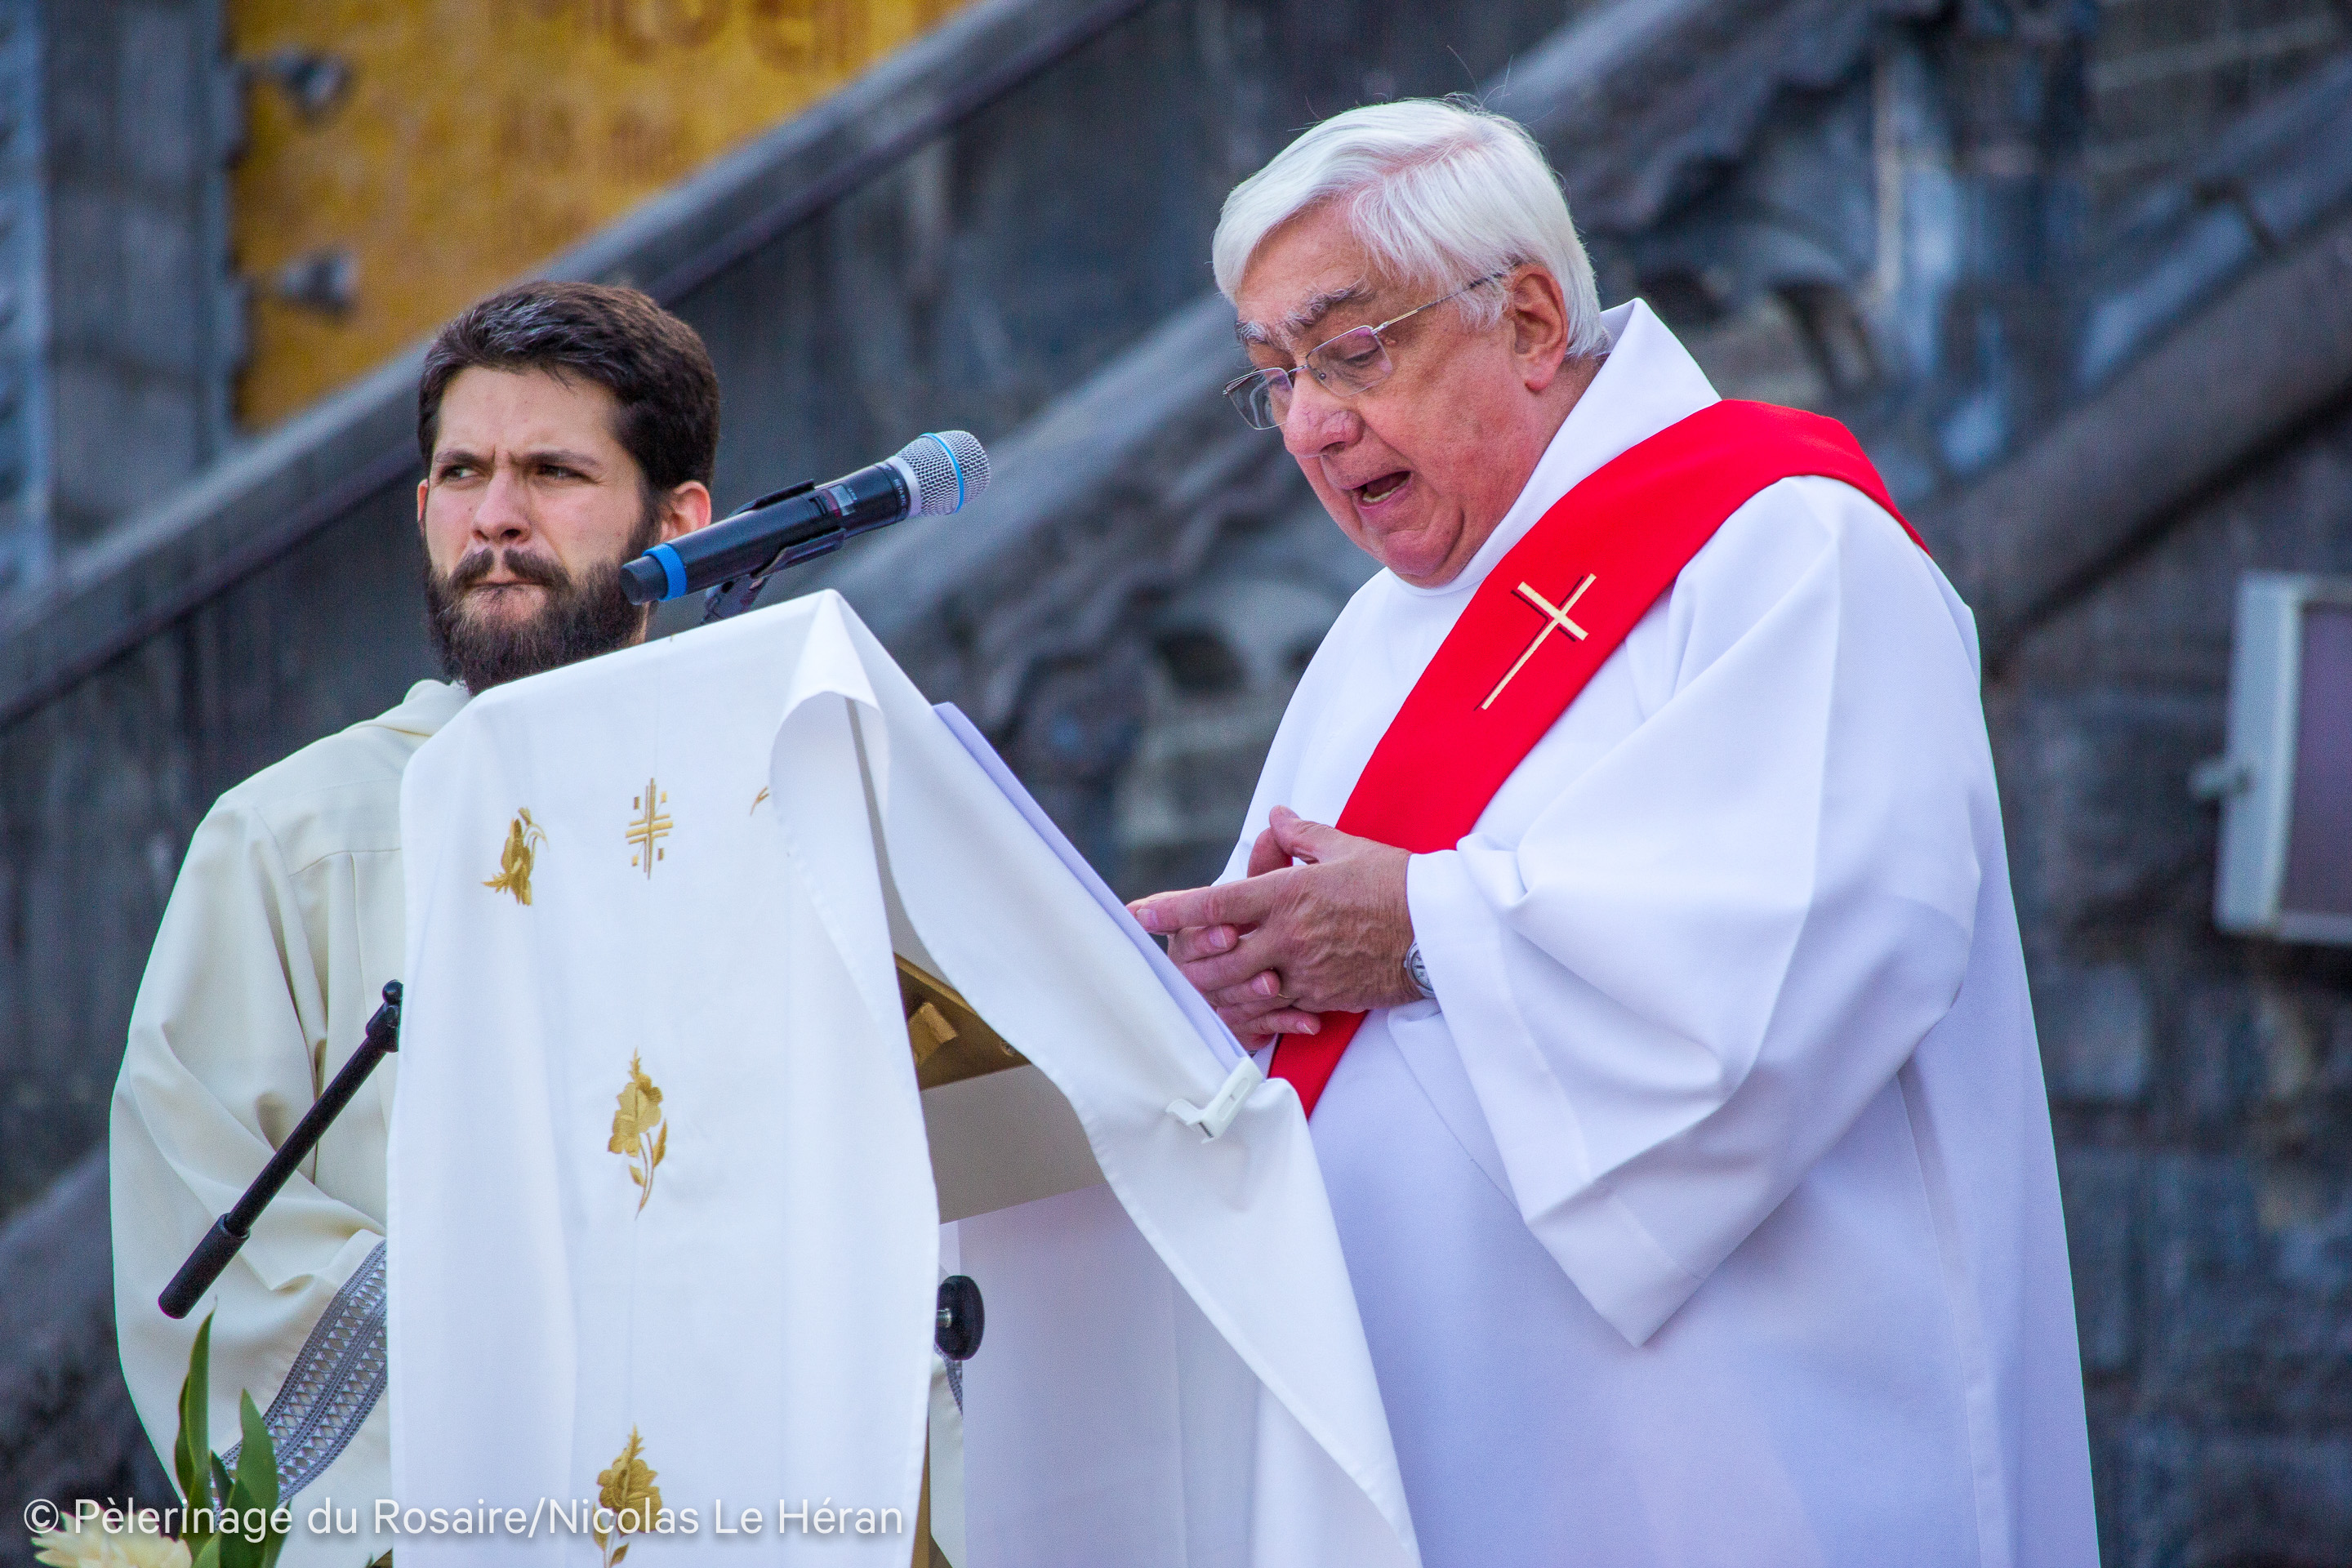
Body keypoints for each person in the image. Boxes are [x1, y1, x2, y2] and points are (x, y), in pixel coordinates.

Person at [1129, 99, 2100, 1566]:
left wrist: (1423, 934)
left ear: (1527, 319)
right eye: (1275, 378)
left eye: (1352, 350)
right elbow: (1315, 993)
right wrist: (1211, 993)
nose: (1313, 424)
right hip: (1435, 1435)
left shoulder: (1788, 546)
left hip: (1752, 1440)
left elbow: (1816, 950)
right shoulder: (1371, 638)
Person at [109, 282, 715, 1561]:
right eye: (462, 475)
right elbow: (202, 1216)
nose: (495, 517)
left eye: (553, 472)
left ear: (680, 523)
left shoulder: (768, 811)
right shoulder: (290, 839)